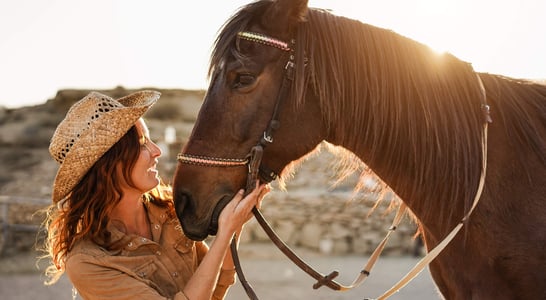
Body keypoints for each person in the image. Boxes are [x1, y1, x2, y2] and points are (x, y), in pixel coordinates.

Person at [41, 90, 269, 299]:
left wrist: (235, 222)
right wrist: (224, 232)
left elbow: (217, 286)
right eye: (141, 144)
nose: (156, 151)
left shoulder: (168, 210)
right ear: (108, 165)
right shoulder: (88, 263)